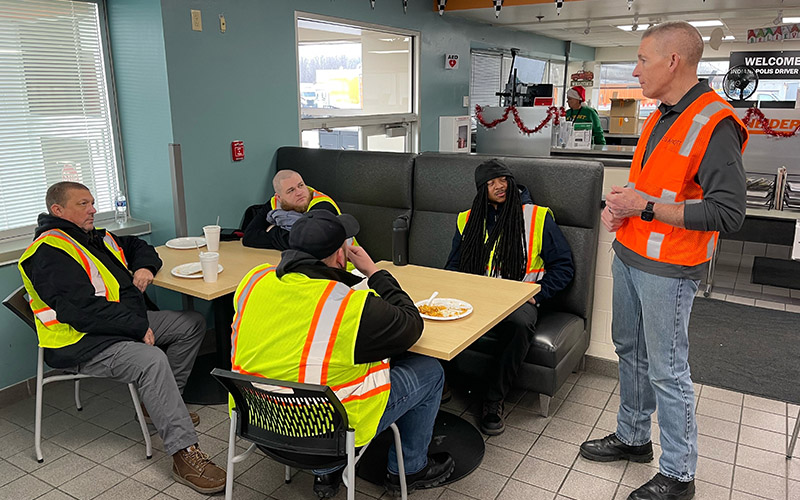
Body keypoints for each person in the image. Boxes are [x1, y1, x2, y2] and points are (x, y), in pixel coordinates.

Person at [579, 21, 748, 500]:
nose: (634, 71)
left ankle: (678, 473)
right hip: (630, 253)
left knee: (667, 369)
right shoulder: (660, 115)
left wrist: (645, 207)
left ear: (673, 61)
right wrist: (621, 207)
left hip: (670, 269)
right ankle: (633, 438)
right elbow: (651, 186)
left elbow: (729, 213)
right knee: (629, 352)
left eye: (641, 60)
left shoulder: (716, 123)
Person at [18, 182, 226, 495]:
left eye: (92, 202)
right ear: (58, 211)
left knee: (191, 324)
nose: (92, 209)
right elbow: (79, 311)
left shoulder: (92, 236)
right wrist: (133, 327)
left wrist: (144, 267)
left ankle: (157, 406)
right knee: (152, 360)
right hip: (82, 340)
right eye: (83, 204)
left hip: (119, 323)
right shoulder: (49, 252)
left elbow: (137, 246)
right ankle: (184, 454)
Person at [230, 210, 454, 498]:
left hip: (259, 424)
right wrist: (374, 272)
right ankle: (408, 471)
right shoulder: (350, 308)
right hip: (327, 437)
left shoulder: (253, 283)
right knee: (430, 371)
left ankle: (326, 476)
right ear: (340, 256)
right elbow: (412, 324)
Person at [445, 159, 574, 436]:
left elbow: (564, 266)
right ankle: (441, 381)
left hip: (519, 300)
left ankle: (493, 400)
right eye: (491, 183)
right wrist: (453, 292)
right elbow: (453, 265)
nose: (499, 186)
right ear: (482, 191)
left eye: (503, 179)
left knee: (519, 324)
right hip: (476, 295)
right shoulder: (467, 219)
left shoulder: (537, 217)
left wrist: (537, 296)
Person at [242, 169, 344, 249]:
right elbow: (249, 237)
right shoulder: (275, 203)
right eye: (291, 190)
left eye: (301, 185)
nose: (299, 192)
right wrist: (286, 237)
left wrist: (273, 231)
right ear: (279, 198)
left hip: (346, 266)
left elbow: (311, 243)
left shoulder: (322, 204)